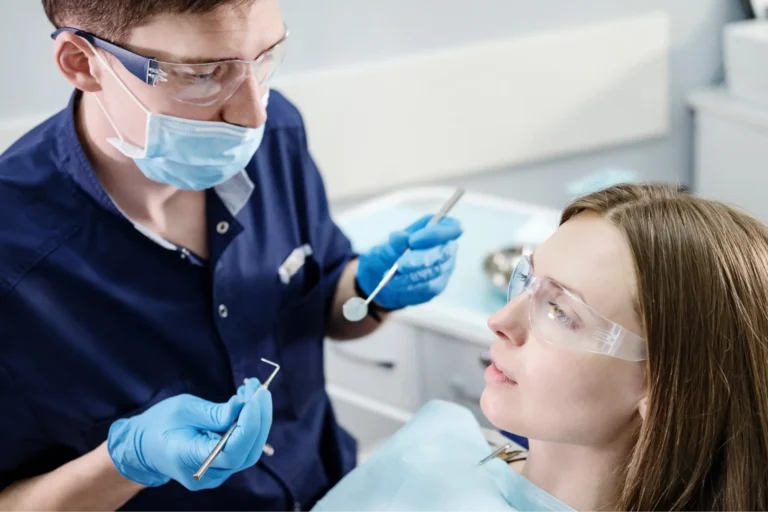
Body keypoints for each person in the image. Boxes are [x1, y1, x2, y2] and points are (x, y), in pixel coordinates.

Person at [0, 1, 463, 510]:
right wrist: (126, 463)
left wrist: (370, 290)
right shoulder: (13, 257)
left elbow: (322, 308)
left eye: (265, 58)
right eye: (203, 74)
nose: (252, 113)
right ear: (82, 63)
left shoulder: (276, 135)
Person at [311, 183, 768, 512]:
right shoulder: (440, 445)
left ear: (664, 389)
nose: (500, 322)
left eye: (561, 311)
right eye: (527, 282)